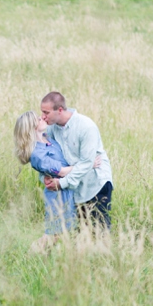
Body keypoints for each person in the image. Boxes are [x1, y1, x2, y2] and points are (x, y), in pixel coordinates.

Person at [14, 111, 101, 249]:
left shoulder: (48, 139)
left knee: (64, 231)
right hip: (57, 196)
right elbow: (61, 171)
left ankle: (46, 257)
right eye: (37, 119)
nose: (42, 118)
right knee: (54, 234)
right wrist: (87, 165)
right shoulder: (37, 154)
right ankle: (30, 256)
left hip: (67, 190)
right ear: (31, 127)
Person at [40, 91, 114, 231]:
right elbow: (46, 157)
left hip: (96, 184)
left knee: (100, 232)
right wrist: (46, 177)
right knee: (80, 233)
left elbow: (87, 163)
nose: (43, 117)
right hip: (75, 186)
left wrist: (61, 183)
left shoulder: (86, 126)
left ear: (60, 110)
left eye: (46, 112)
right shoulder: (50, 129)